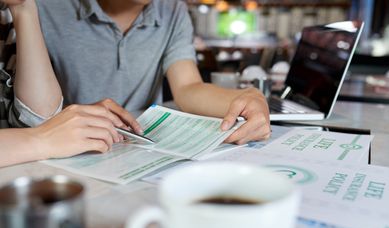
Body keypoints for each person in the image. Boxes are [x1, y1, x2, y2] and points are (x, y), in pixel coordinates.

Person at [36, 0, 272, 145]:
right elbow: (31, 110)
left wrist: (244, 99)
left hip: (142, 146)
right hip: (68, 144)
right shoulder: (45, 8)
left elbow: (188, 88)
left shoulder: (173, 10)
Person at [0, 0, 140, 167]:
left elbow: (39, 119)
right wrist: (41, 140)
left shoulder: (8, 14)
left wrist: (24, 8)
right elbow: (42, 131)